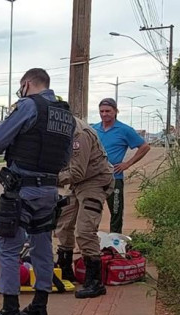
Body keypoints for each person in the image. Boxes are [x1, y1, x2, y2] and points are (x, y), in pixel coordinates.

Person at [0, 68, 74, 315]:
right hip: (48, 191)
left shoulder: (28, 106)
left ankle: (10, 312)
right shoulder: (65, 114)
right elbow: (66, 158)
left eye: (21, 88)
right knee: (42, 248)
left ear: (27, 84)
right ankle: (39, 308)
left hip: (22, 191)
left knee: (8, 249)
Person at [55, 116, 115, 299]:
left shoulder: (78, 134)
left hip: (95, 181)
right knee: (64, 223)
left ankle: (94, 281)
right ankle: (65, 269)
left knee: (85, 230)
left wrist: (49, 178)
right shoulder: (61, 128)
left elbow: (77, 171)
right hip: (78, 184)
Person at [92, 98, 151, 234]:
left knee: (116, 211)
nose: (104, 114)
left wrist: (128, 164)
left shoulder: (124, 130)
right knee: (92, 211)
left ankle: (114, 242)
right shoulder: (93, 129)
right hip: (94, 177)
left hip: (114, 178)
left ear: (115, 111)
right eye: (102, 111)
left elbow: (144, 147)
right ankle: (90, 242)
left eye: (108, 111)